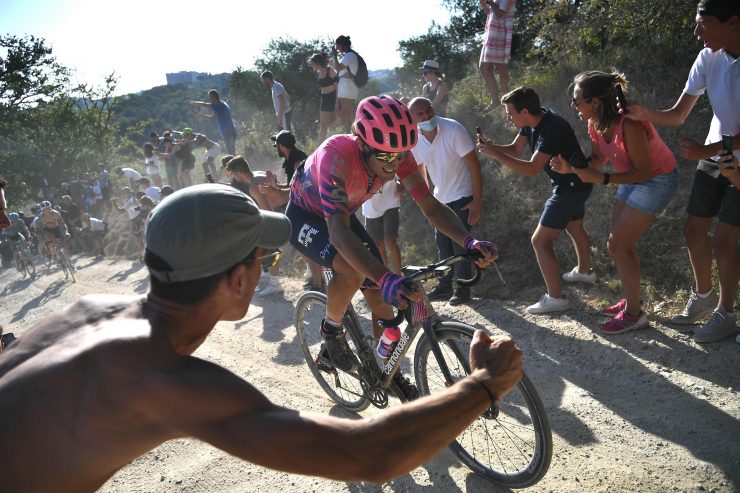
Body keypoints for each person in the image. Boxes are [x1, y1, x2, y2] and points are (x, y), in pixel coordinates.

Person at [0, 183, 522, 492]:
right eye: (264, 260)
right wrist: (482, 385)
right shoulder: (161, 379)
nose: (266, 268)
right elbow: (369, 453)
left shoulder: (87, 310)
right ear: (235, 280)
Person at [286, 95, 499, 384]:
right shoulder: (334, 156)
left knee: (382, 302)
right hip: (305, 214)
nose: (394, 163)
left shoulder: (396, 152)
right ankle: (331, 330)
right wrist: (384, 276)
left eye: (400, 155)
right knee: (352, 270)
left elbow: (432, 207)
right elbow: (337, 232)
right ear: (361, 143)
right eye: (386, 156)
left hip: (342, 214)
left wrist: (469, 242)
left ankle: (386, 369)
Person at [621, 0, 739, 343]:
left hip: (727, 156)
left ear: (732, 21)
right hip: (716, 153)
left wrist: (707, 150)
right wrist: (644, 114)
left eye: (703, 24)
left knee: (725, 240)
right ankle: (703, 298)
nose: (696, 32)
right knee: (693, 230)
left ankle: (726, 312)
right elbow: (677, 114)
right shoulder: (708, 56)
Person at [551, 70, 679, 334]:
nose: (573, 106)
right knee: (621, 244)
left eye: (577, 101)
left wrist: (602, 179)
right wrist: (572, 168)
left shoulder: (629, 125)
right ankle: (633, 300)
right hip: (631, 179)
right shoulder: (595, 124)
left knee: (617, 244)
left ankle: (634, 314)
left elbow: (643, 172)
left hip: (657, 179)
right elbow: (598, 160)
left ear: (594, 103)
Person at [477, 87, 594, 314]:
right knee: (575, 227)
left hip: (570, 186)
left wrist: (496, 155)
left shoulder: (551, 128)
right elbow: (515, 149)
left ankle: (555, 297)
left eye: (510, 113)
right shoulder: (533, 121)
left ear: (525, 111)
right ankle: (585, 271)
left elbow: (531, 168)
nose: (507, 118)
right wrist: (492, 147)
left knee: (539, 241)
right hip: (575, 183)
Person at [408, 97, 484, 305]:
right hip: (439, 199)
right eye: (421, 114)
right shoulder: (414, 138)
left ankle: (463, 289)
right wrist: (427, 204)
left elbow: (473, 164)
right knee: (442, 245)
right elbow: (419, 169)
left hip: (462, 195)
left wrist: (477, 201)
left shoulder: (453, 129)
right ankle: (444, 286)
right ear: (413, 118)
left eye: (428, 111)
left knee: (460, 245)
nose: (427, 116)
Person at [226, 156, 286, 297]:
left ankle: (275, 283)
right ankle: (268, 273)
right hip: (286, 210)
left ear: (239, 173)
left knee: (270, 247)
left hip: (279, 216)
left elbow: (267, 214)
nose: (233, 178)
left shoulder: (254, 187)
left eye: (233, 174)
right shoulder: (259, 174)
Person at [479, 0, 517, 111]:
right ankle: (496, 101)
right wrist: (484, 5)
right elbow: (491, 13)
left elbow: (501, 13)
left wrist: (489, 2)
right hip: (491, 33)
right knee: (484, 67)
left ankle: (506, 99)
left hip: (500, 33)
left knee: (499, 67)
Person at [362, 179, 403, 274]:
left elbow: (401, 172)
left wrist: (400, 188)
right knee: (378, 245)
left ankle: (399, 276)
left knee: (390, 239)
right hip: (370, 209)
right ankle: (387, 278)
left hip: (390, 201)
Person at [190, 89, 238, 155]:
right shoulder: (220, 105)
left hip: (228, 132)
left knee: (231, 152)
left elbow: (205, 105)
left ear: (215, 97)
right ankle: (235, 163)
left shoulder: (219, 105)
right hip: (229, 132)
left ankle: (235, 164)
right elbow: (211, 118)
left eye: (210, 97)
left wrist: (194, 103)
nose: (210, 99)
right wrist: (197, 114)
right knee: (231, 151)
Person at [331, 35, 360, 131]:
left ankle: (353, 133)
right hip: (347, 85)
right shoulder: (349, 55)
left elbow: (338, 68)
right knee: (348, 113)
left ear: (343, 45)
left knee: (348, 113)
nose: (337, 49)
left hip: (347, 85)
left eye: (338, 46)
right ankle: (353, 132)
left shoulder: (349, 55)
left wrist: (334, 55)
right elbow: (339, 68)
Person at [309, 53, 339, 142]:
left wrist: (337, 102)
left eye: (313, 64)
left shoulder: (330, 71)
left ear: (318, 62)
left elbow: (338, 87)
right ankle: (318, 149)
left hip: (333, 98)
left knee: (333, 124)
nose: (312, 66)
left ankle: (337, 145)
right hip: (324, 99)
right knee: (323, 125)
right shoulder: (319, 73)